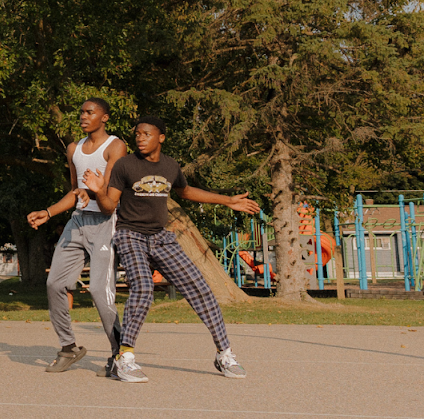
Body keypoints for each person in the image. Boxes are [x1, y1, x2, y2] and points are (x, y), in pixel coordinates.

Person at [91, 115, 260, 383]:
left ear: (161, 137)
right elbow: (109, 205)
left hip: (161, 237)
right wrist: (99, 191)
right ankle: (125, 359)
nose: (140, 138)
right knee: (144, 289)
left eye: (146, 134)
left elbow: (186, 191)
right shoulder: (125, 165)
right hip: (130, 235)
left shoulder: (170, 165)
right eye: (137, 134)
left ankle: (224, 354)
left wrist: (227, 200)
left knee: (201, 289)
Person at [26, 97, 127, 374]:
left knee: (99, 291)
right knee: (54, 284)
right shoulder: (74, 149)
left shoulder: (115, 146)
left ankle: (121, 355)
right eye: (81, 112)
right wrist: (49, 212)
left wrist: (90, 191)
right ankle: (69, 347)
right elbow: (75, 192)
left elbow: (109, 192)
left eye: (90, 112)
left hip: (105, 222)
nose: (83, 116)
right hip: (78, 222)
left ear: (104, 117)